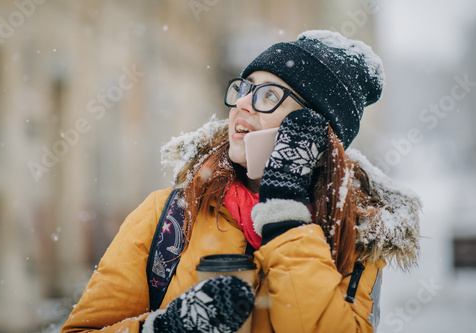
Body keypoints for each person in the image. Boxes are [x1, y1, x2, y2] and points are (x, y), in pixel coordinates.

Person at [61, 30, 421, 333]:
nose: (242, 105)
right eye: (244, 89)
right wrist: (163, 328)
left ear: (312, 128)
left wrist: (285, 218)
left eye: (267, 95)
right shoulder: (169, 216)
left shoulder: (355, 236)